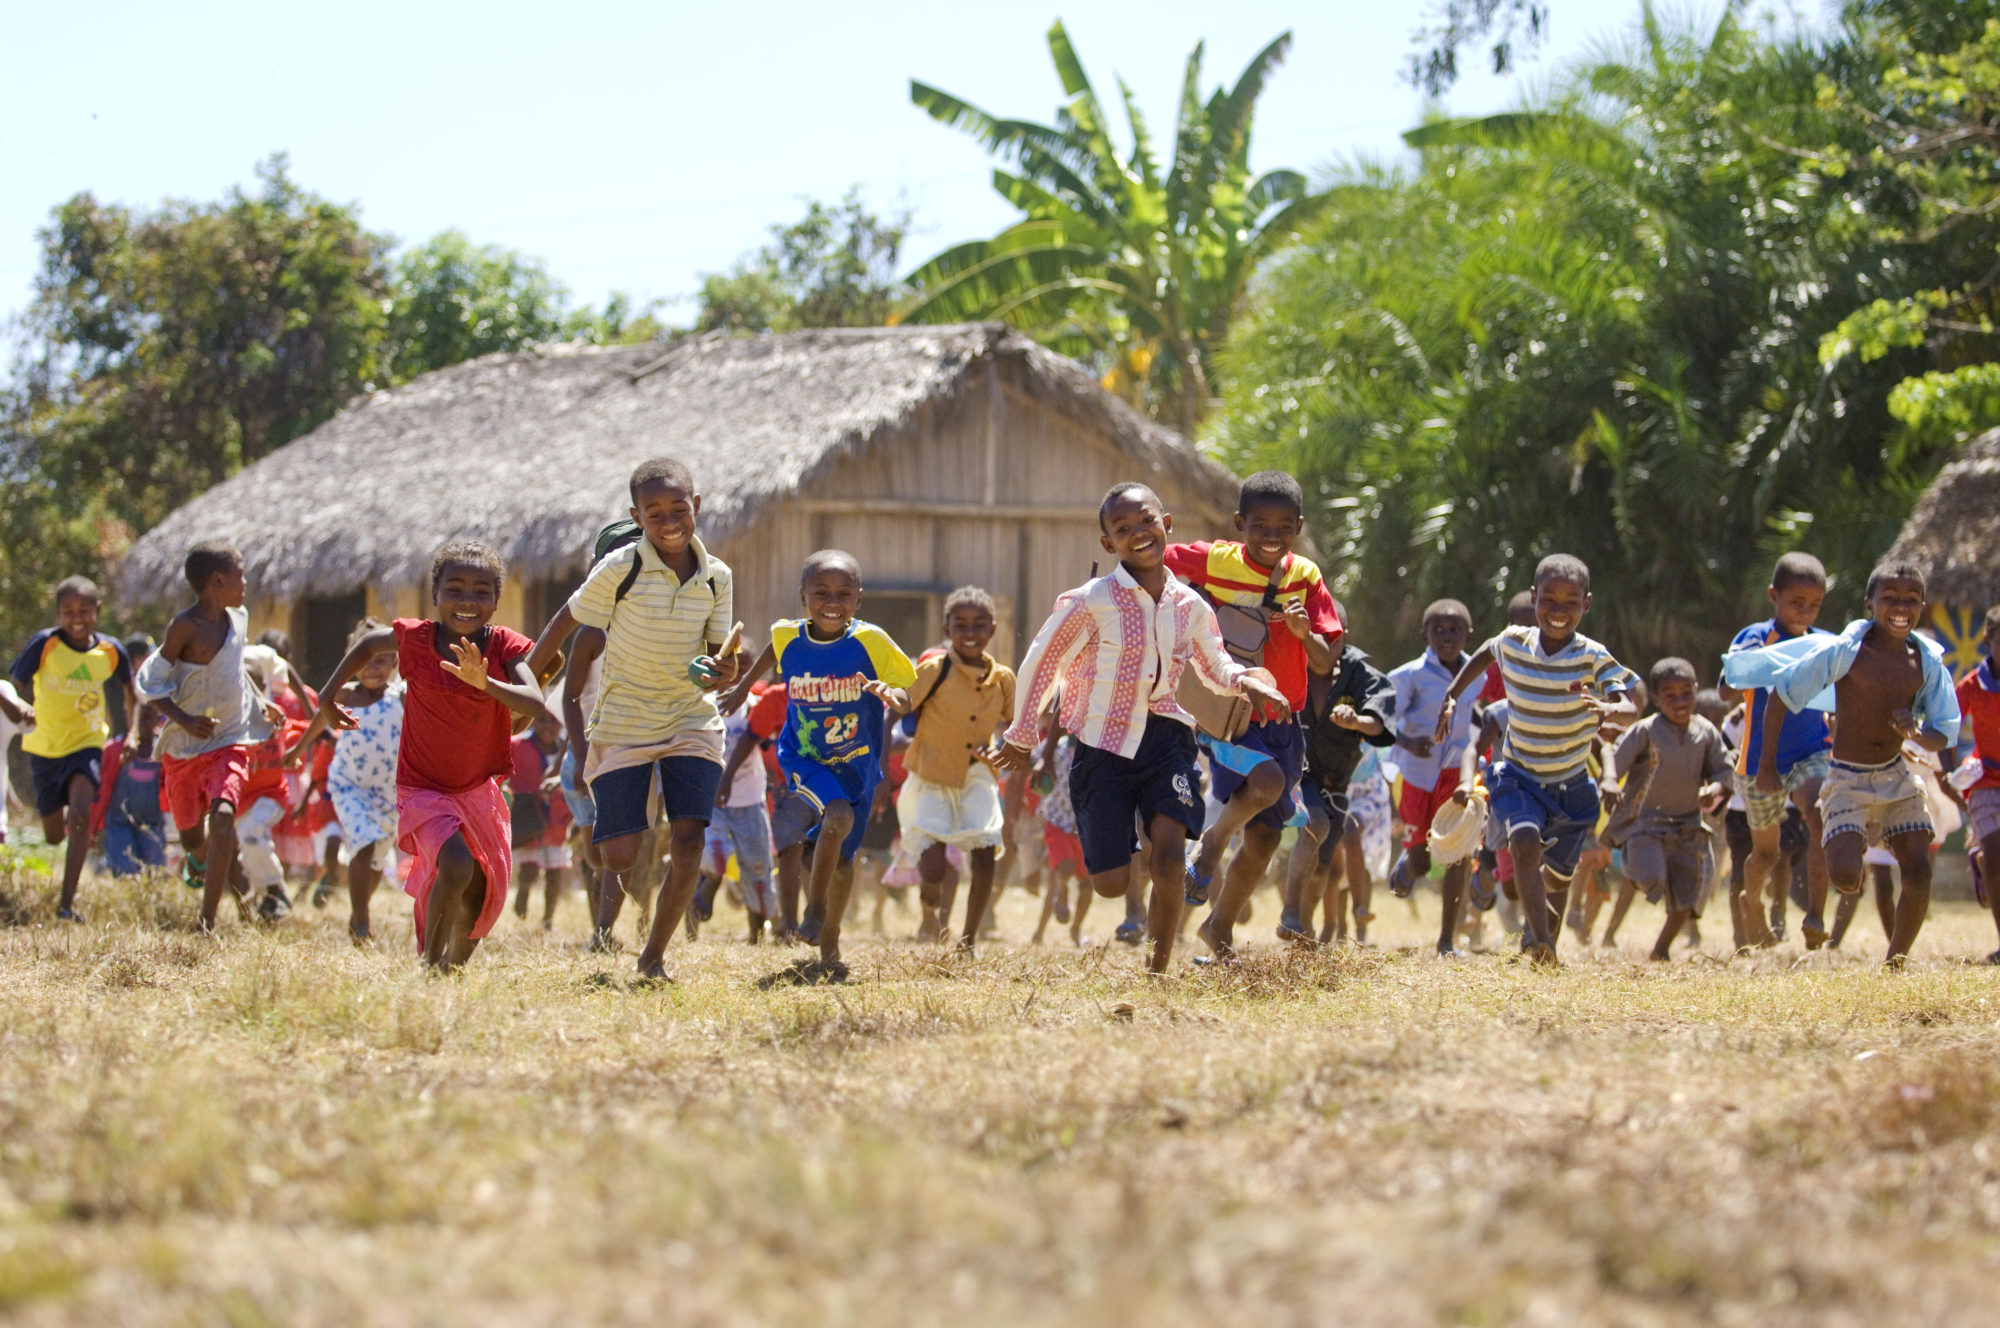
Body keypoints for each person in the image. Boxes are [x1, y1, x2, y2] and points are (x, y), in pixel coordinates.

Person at [996, 484, 1286, 975]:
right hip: (1101, 745)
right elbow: (1041, 662)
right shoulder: (1090, 601)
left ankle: (1157, 969)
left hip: (1167, 740)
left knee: (1169, 859)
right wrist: (1022, 733)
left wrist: (1246, 684)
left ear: (1166, 525)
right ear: (1109, 544)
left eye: (1146, 522)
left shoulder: (1189, 605)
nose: (1138, 534)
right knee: (1109, 881)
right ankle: (1135, 832)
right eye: (1123, 529)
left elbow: (1214, 663)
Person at [528, 459, 740, 982]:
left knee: (689, 841)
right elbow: (565, 621)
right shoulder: (620, 567)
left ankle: (653, 958)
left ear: (697, 507)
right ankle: (610, 893)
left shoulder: (717, 577)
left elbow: (716, 659)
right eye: (654, 512)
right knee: (619, 856)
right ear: (636, 516)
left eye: (679, 508)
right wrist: (525, 680)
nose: (669, 520)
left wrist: (724, 671)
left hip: (691, 718)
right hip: (623, 723)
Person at [310, 541, 549, 970]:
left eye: (481, 591)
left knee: (481, 888)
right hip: (421, 788)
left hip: (479, 790)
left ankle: (448, 969)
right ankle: (427, 964)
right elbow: (367, 647)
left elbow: (533, 701)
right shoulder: (417, 640)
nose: (467, 601)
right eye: (454, 588)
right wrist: (327, 696)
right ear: (435, 594)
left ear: (496, 600)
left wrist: (485, 684)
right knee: (454, 865)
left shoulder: (504, 647)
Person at [1722, 558, 1959, 965]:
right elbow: (1781, 695)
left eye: (1912, 599)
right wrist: (1765, 766)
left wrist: (1917, 734)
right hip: (1846, 778)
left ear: (1921, 606)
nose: (1901, 606)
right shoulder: (1844, 652)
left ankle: (1895, 962)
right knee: (1844, 877)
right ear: (1870, 602)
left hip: (1895, 777)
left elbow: (1944, 730)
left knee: (1919, 871)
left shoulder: (1925, 663)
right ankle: (1790, 888)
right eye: (1890, 598)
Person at [1165, 472, 1343, 959]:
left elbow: (1327, 661)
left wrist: (1306, 635)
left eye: (1283, 527)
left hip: (1285, 722)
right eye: (1259, 525)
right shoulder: (1215, 560)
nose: (1270, 536)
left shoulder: (1306, 578)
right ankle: (1210, 843)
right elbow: (1153, 560)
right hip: (1231, 712)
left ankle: (1217, 929)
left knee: (1265, 838)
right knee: (1264, 784)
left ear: (1299, 527)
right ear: (1240, 522)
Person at [722, 550, 916, 982]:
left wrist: (891, 696)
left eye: (843, 593)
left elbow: (907, 695)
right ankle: (812, 910)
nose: (832, 601)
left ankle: (829, 940)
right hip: (805, 756)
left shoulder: (872, 642)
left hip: (858, 765)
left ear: (859, 599)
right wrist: (738, 693)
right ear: (803, 597)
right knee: (837, 814)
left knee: (846, 860)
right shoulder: (788, 636)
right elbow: (773, 650)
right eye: (821, 593)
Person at [1435, 554, 1638, 965]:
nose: (1558, 611)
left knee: (1559, 878)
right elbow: (1486, 654)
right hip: (1518, 776)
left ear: (1587, 604)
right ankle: (1540, 943)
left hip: (1571, 787)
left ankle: (1544, 937)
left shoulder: (1593, 656)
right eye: (1549, 600)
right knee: (1524, 844)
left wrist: (1610, 709)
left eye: (1570, 602)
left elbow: (1629, 703)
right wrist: (1453, 694)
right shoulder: (1514, 641)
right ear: (1534, 598)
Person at [134, 545, 278, 934]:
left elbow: (233, 671)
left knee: (224, 817)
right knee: (193, 836)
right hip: (184, 747)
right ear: (218, 580)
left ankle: (206, 919)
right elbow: (151, 683)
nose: (245, 583)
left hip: (228, 738)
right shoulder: (185, 627)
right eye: (240, 574)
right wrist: (182, 718)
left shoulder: (238, 619)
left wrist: (262, 701)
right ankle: (209, 865)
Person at [881, 587, 1016, 954]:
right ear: (947, 628)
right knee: (935, 867)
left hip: (977, 774)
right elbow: (902, 703)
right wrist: (888, 695)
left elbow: (1015, 725)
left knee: (986, 852)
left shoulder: (1002, 678)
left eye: (979, 625)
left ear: (992, 630)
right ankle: (930, 902)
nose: (970, 632)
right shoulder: (934, 669)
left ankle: (968, 941)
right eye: (961, 625)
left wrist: (1004, 749)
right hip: (930, 773)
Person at [1721, 553, 1836, 949]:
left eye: (1814, 605)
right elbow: (1725, 687)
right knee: (1766, 855)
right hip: (1757, 763)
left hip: (1810, 752)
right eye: (1796, 603)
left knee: (1820, 815)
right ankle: (1750, 902)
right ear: (1774, 595)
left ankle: (1816, 915)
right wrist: (1757, 667)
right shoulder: (1756, 638)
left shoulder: (1822, 645)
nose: (1804, 612)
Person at [4, 576, 137, 920]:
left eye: (85, 610)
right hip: (44, 746)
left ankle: (66, 905)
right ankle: (62, 821)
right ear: (58, 613)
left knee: (80, 814)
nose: (77, 618)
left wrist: (133, 733)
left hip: (87, 743)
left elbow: (131, 693)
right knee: (51, 836)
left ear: (99, 611)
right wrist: (19, 708)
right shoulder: (44, 644)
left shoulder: (110, 650)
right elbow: (10, 686)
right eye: (68, 611)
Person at [1602, 658, 1732, 961]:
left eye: (1686, 693)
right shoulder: (1645, 731)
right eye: (1669, 695)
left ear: (1696, 691)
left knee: (1687, 897)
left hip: (1688, 824)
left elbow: (1723, 773)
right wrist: (1608, 782)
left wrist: (1713, 790)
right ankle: (1636, 865)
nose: (1679, 701)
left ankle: (1660, 949)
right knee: (1651, 875)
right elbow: (1614, 762)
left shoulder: (1706, 733)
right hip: (1644, 821)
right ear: (1657, 699)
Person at [289, 618, 402, 943]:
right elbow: (318, 722)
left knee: (379, 860)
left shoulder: (400, 697)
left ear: (395, 662)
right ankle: (362, 922)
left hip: (388, 793)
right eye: (364, 660)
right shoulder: (345, 696)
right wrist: (298, 749)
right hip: (349, 786)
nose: (372, 668)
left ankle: (358, 910)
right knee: (363, 846)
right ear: (350, 663)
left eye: (381, 660)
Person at [1283, 635, 1396, 945]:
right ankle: (1290, 912)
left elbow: (1379, 723)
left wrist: (1357, 721)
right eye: (1315, 635)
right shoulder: (1292, 666)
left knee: (1323, 871)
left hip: (1339, 786)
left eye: (1332, 638)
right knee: (1315, 825)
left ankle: (1303, 934)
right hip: (1300, 775)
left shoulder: (1361, 677)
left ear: (1343, 638)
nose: (1323, 645)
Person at [1386, 601, 1479, 935]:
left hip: (1458, 774)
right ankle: (1409, 868)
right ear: (1423, 634)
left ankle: (1446, 939)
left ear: (1469, 635)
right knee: (1424, 858)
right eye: (1437, 629)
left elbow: (1480, 715)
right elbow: (1383, 718)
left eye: (1454, 629)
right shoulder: (1411, 675)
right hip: (1416, 775)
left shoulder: (1478, 674)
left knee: (1457, 852)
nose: (1446, 636)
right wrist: (1410, 743)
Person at [1955, 606, 2000, 964]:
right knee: (1997, 857)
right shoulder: (1972, 686)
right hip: (1986, 780)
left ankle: (1980, 857)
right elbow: (1945, 724)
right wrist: (1945, 773)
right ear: (1988, 640)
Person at [508, 715, 571, 929]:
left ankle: (548, 920)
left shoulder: (568, 749)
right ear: (533, 721)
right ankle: (521, 910)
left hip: (558, 820)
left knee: (555, 871)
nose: (548, 727)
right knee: (529, 869)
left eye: (553, 722)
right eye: (543, 721)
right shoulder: (518, 745)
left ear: (561, 725)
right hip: (528, 817)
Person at [91, 704, 169, 876]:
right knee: (125, 870)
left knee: (157, 871)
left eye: (148, 716)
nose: (142, 722)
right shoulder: (114, 750)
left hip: (152, 824)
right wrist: (92, 825)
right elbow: (102, 791)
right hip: (119, 822)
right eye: (138, 716)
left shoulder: (164, 750)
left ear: (159, 717)